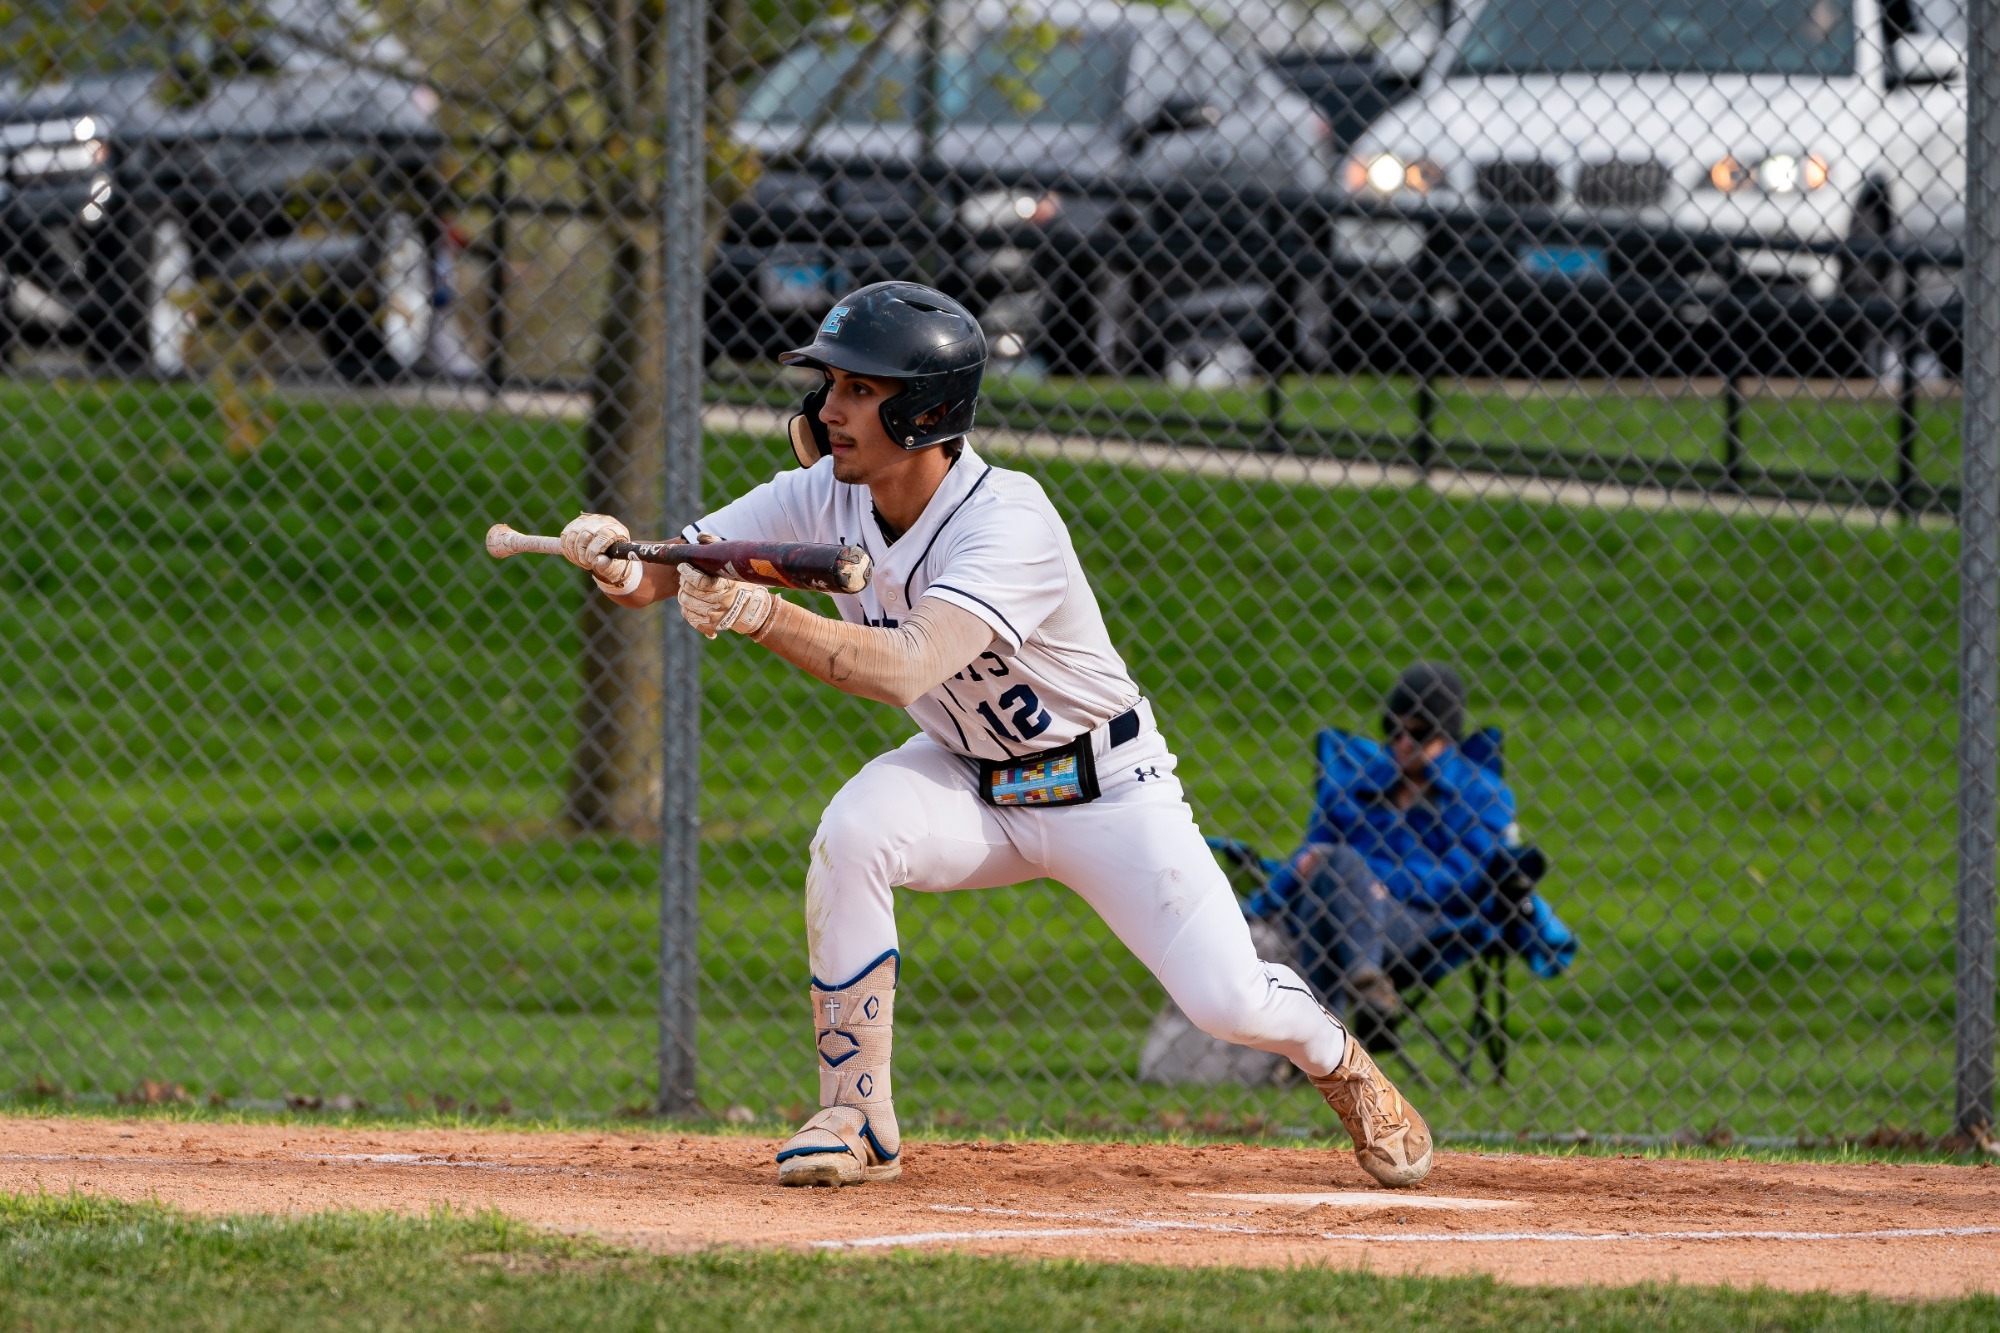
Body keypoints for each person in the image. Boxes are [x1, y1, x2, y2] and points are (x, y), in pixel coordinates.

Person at [557, 281, 1433, 1189]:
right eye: (831, 387)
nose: (829, 408)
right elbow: (674, 568)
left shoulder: (1008, 519)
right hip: (970, 778)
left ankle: (1343, 1064)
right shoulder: (821, 494)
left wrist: (759, 614)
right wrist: (620, 559)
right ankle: (856, 1116)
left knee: (1226, 999)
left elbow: (904, 666)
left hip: (1106, 790)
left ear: (928, 410)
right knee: (853, 832)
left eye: (860, 390)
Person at [1242, 663, 1576, 1045]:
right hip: (1335, 900)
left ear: (1447, 736)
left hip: (1422, 921)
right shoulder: (1354, 786)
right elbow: (1309, 855)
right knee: (1334, 869)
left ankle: (1317, 1044)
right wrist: (1251, 910)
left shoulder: (1482, 794)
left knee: (1338, 870)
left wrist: (1379, 881)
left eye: (1417, 733)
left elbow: (1464, 879)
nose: (1402, 742)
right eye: (1393, 730)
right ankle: (1364, 992)